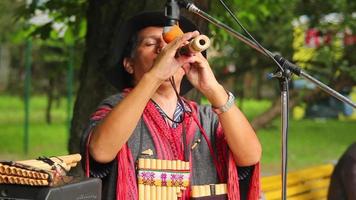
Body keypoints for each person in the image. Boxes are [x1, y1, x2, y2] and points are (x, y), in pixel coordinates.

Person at [80, 11, 262, 200]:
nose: (164, 50)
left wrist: (214, 89)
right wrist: (155, 75)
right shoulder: (114, 108)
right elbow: (100, 151)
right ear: (129, 64)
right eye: (150, 44)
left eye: (172, 45)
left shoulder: (208, 118)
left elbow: (250, 156)